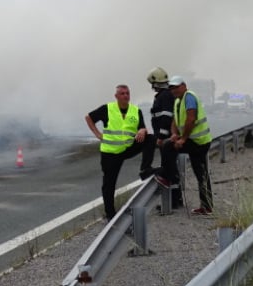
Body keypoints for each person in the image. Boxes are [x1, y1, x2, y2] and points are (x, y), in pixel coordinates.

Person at [85, 84, 156, 220]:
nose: (125, 96)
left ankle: (145, 169)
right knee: (109, 184)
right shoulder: (108, 109)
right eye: (122, 93)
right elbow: (89, 117)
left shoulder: (135, 110)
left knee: (150, 138)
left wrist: (142, 130)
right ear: (116, 96)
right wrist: (98, 134)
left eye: (127, 93)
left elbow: (142, 128)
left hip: (128, 148)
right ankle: (110, 214)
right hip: (110, 153)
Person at [155, 76, 214, 215]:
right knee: (201, 173)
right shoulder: (177, 102)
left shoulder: (189, 97)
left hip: (199, 141)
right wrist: (174, 134)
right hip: (193, 141)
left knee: (168, 147)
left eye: (176, 87)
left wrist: (183, 139)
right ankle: (207, 206)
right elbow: (175, 121)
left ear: (184, 86)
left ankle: (166, 177)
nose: (173, 90)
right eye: (171, 88)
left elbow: (191, 119)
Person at [146, 67, 182, 209]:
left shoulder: (164, 96)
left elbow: (166, 118)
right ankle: (175, 200)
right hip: (168, 137)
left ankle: (172, 202)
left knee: (169, 169)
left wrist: (161, 136)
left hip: (167, 139)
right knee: (171, 168)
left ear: (156, 83)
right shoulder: (165, 95)